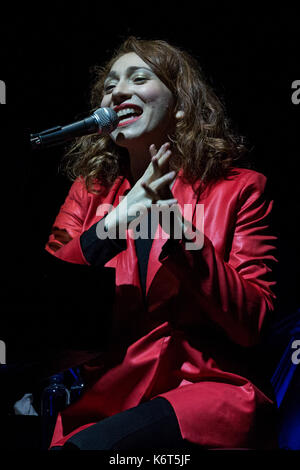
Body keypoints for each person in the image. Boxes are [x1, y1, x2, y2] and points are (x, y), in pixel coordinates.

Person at [45, 36, 278, 450]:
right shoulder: (89, 193)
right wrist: (120, 218)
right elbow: (47, 312)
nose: (117, 91)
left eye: (139, 77)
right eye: (110, 84)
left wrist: (176, 226)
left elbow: (252, 322)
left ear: (182, 104)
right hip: (109, 402)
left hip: (204, 397)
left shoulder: (240, 189)